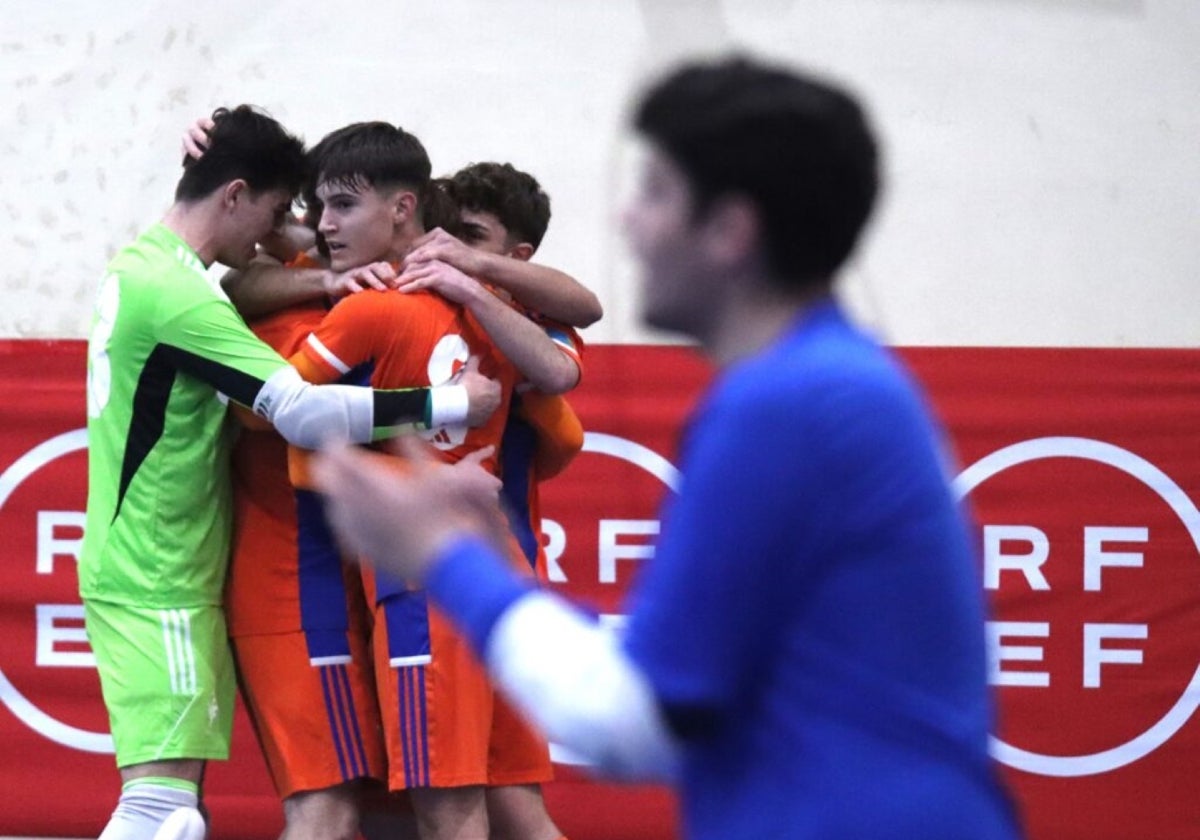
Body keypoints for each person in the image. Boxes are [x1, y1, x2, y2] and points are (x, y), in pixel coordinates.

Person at [311, 55, 1025, 840]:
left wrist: (445, 557)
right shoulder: (830, 384)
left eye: (653, 193)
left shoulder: (789, 404)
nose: (628, 224)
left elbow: (629, 722)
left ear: (729, 229)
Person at [81, 105, 499, 840]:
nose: (279, 238)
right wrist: (448, 401)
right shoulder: (182, 297)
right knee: (161, 812)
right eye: (275, 215)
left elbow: (265, 251)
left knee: (173, 807)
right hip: (159, 572)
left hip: (161, 566)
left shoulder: (145, 265)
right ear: (236, 195)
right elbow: (299, 412)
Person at [227, 121, 576, 840]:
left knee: (427, 807)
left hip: (406, 582)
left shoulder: (378, 306)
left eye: (341, 208)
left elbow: (279, 425)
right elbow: (565, 420)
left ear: (403, 209)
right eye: (315, 210)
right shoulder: (492, 309)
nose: (323, 227)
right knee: (496, 805)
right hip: (475, 575)